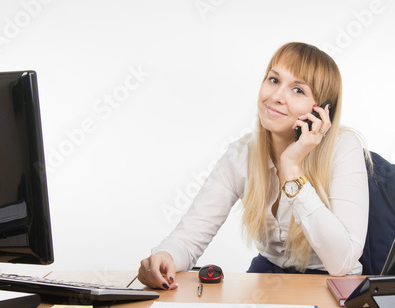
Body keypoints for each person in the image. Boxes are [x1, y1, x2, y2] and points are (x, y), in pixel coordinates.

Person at [138, 42, 369, 290]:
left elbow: (342, 263)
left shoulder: (344, 148)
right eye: (273, 80)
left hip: (333, 286)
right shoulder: (241, 154)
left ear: (323, 111)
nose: (276, 96)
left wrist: (292, 167)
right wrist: (165, 256)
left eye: (298, 90)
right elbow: (189, 237)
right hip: (267, 283)